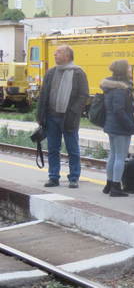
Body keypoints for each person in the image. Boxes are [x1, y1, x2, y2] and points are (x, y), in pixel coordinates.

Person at [36, 45, 89, 188]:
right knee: (53, 148)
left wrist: (73, 111)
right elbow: (43, 95)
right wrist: (40, 114)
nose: (55, 54)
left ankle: (74, 177)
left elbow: (83, 95)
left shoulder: (78, 73)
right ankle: (53, 177)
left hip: (69, 118)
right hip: (51, 117)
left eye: (58, 52)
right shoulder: (51, 72)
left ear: (67, 55)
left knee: (72, 148)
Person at [99, 60, 134, 197]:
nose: (130, 70)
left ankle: (109, 185)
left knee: (113, 155)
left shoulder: (110, 86)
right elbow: (119, 110)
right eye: (128, 68)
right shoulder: (120, 89)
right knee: (120, 156)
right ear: (123, 70)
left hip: (111, 125)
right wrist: (130, 125)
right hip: (120, 126)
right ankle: (116, 186)